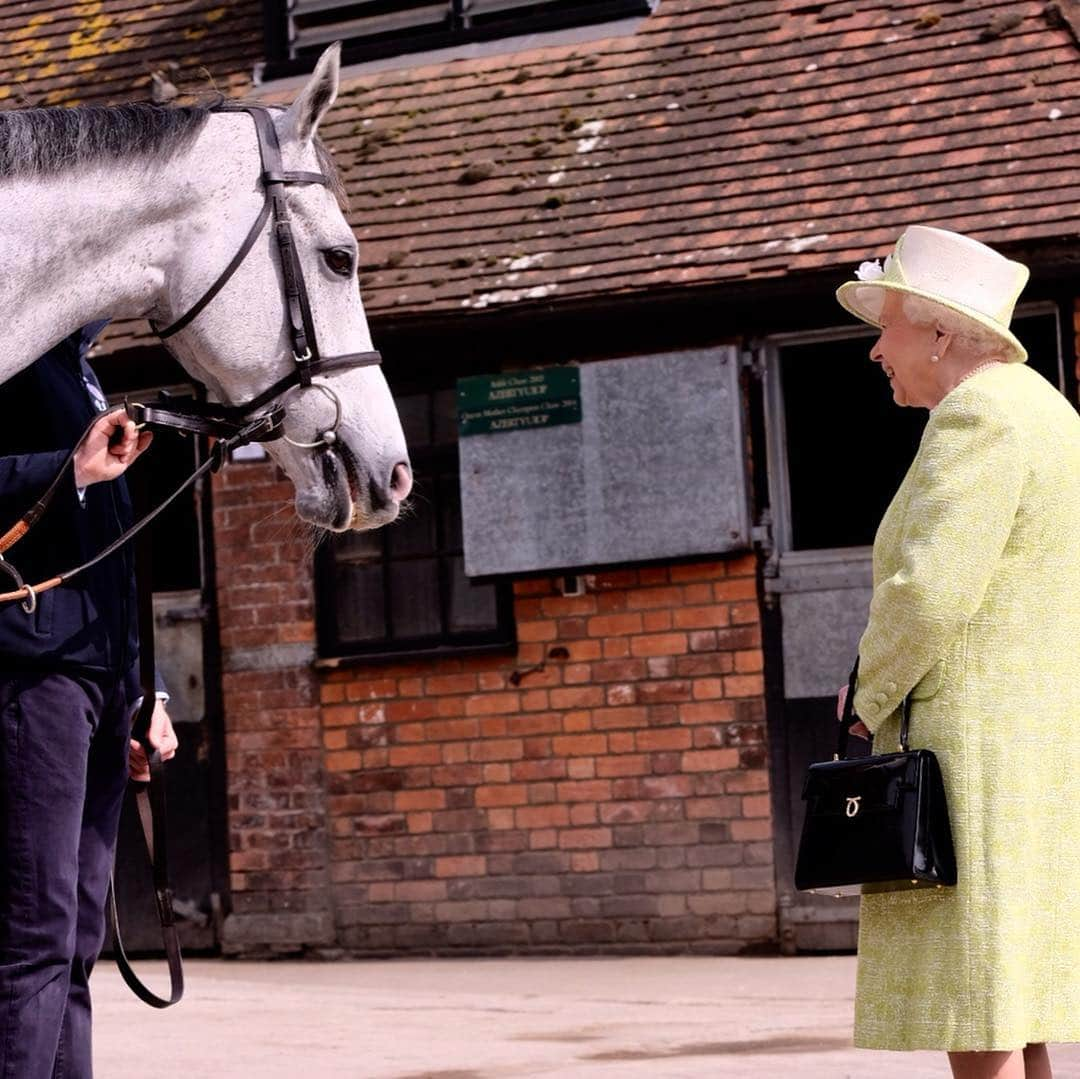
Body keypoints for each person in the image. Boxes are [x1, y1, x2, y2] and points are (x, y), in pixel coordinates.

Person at [832, 225, 1080, 1079]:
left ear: (940, 331)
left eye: (888, 326)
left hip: (973, 746)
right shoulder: (1046, 410)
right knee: (1018, 995)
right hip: (1038, 739)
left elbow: (930, 588)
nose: (876, 350)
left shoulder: (976, 416)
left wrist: (867, 690)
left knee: (978, 1000)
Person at [0, 323, 179, 1078]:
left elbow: (111, 553)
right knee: (33, 933)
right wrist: (65, 467)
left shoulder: (80, 371)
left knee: (75, 936)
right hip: (33, 667)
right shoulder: (11, 348)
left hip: (100, 680)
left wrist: (145, 692)